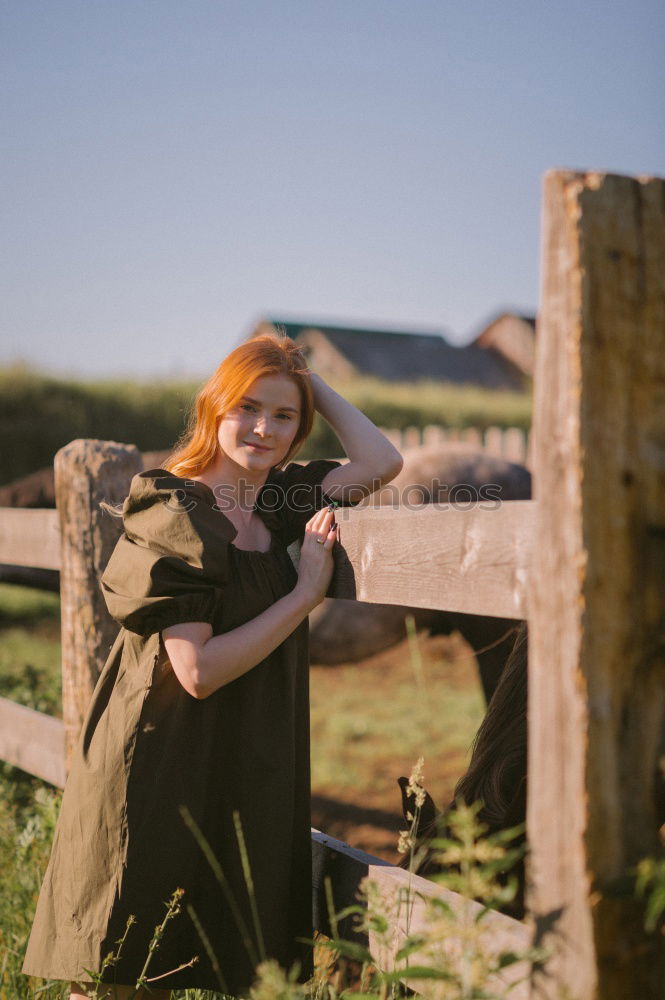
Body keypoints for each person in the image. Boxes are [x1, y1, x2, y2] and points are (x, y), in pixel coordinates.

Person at [21, 334, 403, 999]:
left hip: (223, 760)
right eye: (247, 407)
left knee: (166, 971)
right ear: (213, 409)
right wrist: (302, 597)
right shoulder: (177, 508)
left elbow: (381, 459)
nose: (264, 428)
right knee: (117, 976)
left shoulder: (274, 504)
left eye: (284, 416)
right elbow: (195, 671)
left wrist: (305, 378)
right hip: (158, 762)